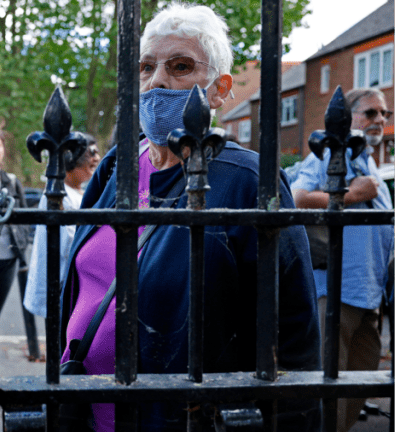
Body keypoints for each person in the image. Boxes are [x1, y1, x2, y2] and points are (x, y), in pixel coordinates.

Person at [59, 4, 321, 431]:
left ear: (219, 90)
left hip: (180, 417)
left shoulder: (246, 180)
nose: (158, 80)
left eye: (180, 67)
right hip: (87, 411)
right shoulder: (115, 167)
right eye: (146, 68)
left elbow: (292, 329)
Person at [291, 87, 393, 432]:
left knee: (358, 386)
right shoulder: (333, 153)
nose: (379, 119)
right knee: (327, 394)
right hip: (334, 292)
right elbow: (297, 197)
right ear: (348, 117)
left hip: (369, 294)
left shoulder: (369, 160)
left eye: (384, 114)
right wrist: (354, 194)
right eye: (370, 113)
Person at [23, 135, 100, 317]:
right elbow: (69, 244)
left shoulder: (81, 191)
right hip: (62, 282)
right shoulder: (60, 196)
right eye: (91, 153)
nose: (96, 158)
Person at [0, 128, 30, 318]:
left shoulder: (13, 182)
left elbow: (24, 218)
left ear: (3, 149)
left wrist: (20, 246)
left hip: (7, 258)